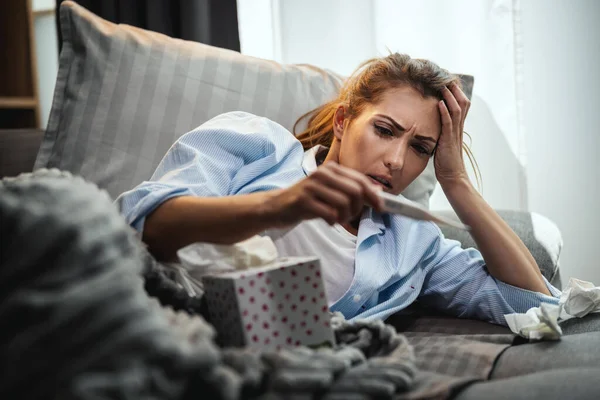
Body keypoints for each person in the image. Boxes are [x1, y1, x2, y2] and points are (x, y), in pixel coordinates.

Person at [117, 53, 560, 325]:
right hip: (158, 318)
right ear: (345, 122)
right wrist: (279, 206)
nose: (397, 160)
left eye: (420, 148)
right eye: (385, 130)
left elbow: (530, 301)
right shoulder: (253, 144)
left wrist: (457, 183)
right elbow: (144, 227)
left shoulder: (412, 245)